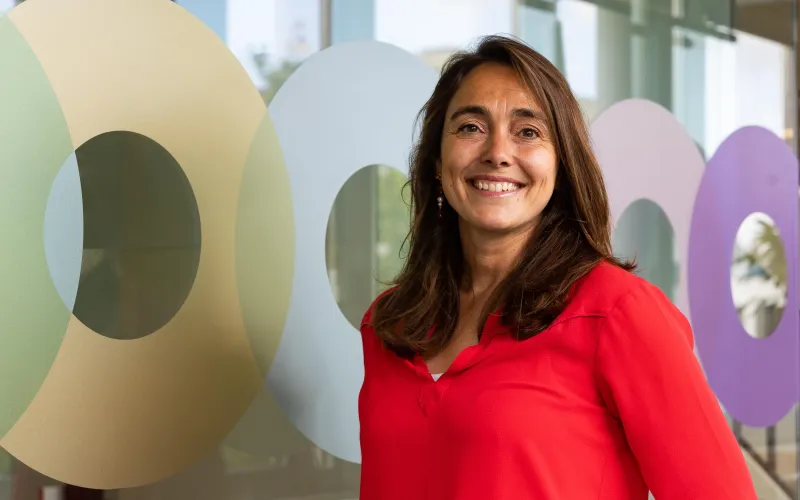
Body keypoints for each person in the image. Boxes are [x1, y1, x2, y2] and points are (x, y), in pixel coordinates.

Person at [358, 35, 757, 499]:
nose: (498, 152)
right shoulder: (389, 323)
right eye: (470, 126)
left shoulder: (620, 314)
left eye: (528, 132)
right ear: (434, 161)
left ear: (562, 165)